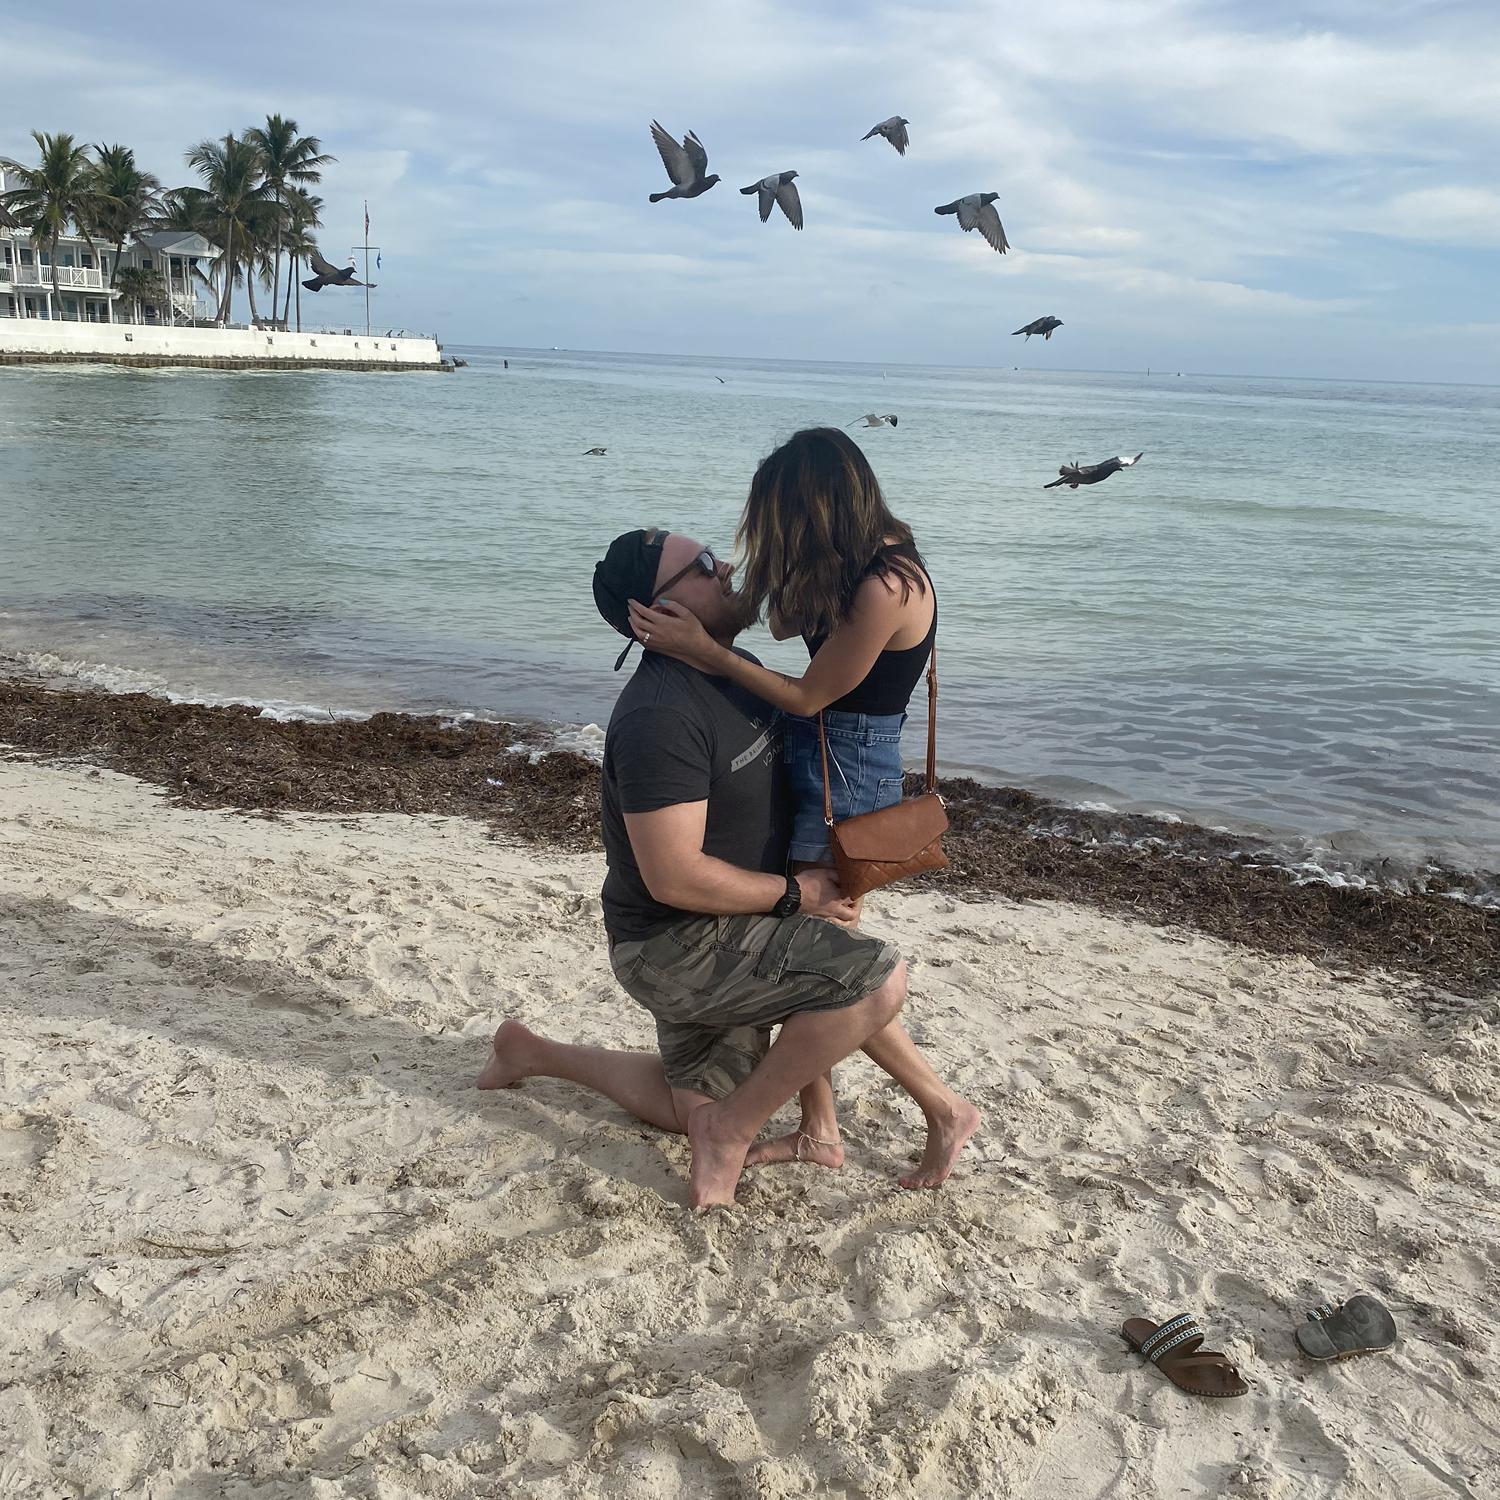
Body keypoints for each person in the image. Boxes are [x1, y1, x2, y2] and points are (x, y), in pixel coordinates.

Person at [476, 526, 979, 1205]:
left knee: (692, 1105)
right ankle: (735, 1131)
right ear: (655, 613)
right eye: (706, 567)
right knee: (873, 981)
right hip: (673, 945)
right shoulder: (660, 716)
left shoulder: (733, 669)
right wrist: (795, 894)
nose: (729, 569)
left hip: (740, 925)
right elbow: (673, 877)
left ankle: (532, 1053)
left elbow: (821, 644)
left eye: (719, 555)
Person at [626, 428, 936, 910]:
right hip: (816, 741)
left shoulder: (887, 585)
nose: (779, 527)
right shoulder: (847, 556)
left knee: (826, 910)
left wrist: (705, 648)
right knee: (806, 904)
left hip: (851, 760)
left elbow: (806, 696)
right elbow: (781, 626)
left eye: (783, 516)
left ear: (820, 507)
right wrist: (791, 559)